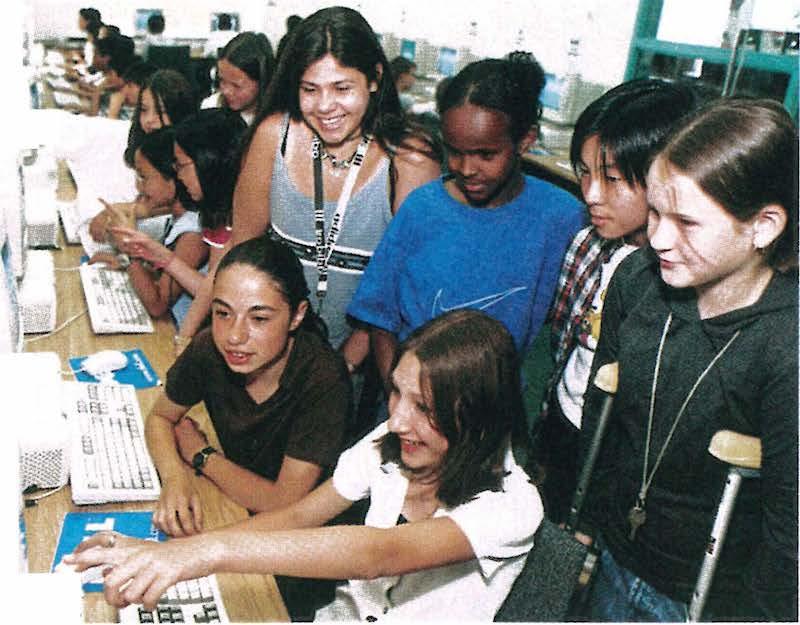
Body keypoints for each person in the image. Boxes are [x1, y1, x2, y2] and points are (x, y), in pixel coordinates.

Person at [65, 309, 542, 621]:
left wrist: (202, 556)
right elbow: (295, 518)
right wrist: (172, 549)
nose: (396, 419)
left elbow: (378, 555)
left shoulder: (513, 507)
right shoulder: (395, 441)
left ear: (478, 415)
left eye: (424, 406)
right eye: (396, 392)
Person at [578, 98, 798, 621]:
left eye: (687, 222)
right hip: (616, 554)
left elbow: (791, 524)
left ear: (763, 226)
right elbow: (599, 413)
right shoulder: (637, 281)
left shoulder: (786, 344)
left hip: (705, 596)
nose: (657, 238)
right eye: (655, 211)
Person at [177, 7, 441, 371]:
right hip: (268, 356)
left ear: (375, 79)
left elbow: (399, 294)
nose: (325, 106)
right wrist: (192, 339)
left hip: (360, 366)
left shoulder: (410, 162)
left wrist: (336, 372)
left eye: (342, 88)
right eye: (310, 89)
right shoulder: (274, 137)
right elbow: (240, 252)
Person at [347, 51, 584, 390]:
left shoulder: (562, 217)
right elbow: (381, 316)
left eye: (486, 154)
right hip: (409, 400)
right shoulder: (422, 208)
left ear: (525, 141)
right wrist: (399, 399)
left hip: (493, 409)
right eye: (455, 151)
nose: (467, 169)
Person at [533, 79, 698, 523]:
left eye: (611, 179)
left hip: (616, 454)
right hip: (563, 423)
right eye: (585, 173)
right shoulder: (587, 244)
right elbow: (564, 342)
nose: (590, 194)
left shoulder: (682, 278)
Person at [134, 235, 350, 538]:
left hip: (294, 538)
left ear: (297, 315)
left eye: (259, 318)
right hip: (229, 506)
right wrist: (174, 477)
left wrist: (201, 455)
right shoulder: (210, 347)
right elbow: (160, 417)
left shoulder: (324, 379)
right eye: (223, 313)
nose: (234, 336)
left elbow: (284, 504)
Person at [111, 108, 247, 308]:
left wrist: (132, 251)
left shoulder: (200, 227)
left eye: (181, 166)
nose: (180, 176)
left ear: (207, 162)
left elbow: (206, 297)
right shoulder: (216, 215)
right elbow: (210, 290)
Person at [89, 127, 207, 328]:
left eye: (144, 177)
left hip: (174, 329)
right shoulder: (178, 218)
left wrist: (131, 250)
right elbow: (165, 274)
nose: (138, 187)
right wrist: (127, 264)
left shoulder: (193, 233)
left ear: (173, 179)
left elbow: (158, 304)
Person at [88, 68, 197, 243]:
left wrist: (133, 211)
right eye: (144, 110)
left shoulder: (191, 163)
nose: (149, 120)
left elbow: (159, 207)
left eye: (161, 112)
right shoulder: (146, 149)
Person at [201, 32, 275, 126]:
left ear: (261, 81)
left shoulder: (275, 121)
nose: (226, 91)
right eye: (222, 81)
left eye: (236, 86)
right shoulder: (211, 106)